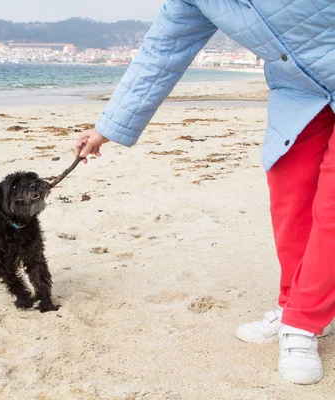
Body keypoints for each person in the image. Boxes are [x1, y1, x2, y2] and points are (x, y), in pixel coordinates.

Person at [75, 0, 335, 385]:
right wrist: (107, 128)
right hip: (299, 93)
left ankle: (302, 322)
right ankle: (298, 303)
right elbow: (161, 54)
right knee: (289, 200)